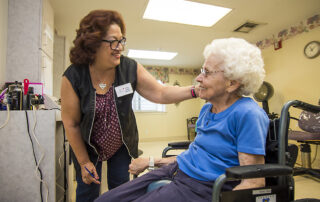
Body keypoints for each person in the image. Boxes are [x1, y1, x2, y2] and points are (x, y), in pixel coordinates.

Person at [94, 37, 270, 202]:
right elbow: (195, 155)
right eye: (202, 71)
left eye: (207, 73)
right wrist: (151, 161)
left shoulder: (248, 114)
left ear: (232, 83)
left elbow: (254, 182)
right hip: (177, 171)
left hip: (201, 187)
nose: (198, 78)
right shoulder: (207, 109)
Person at [60, 10, 198, 202]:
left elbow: (160, 92)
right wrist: (83, 161)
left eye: (121, 41)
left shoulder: (129, 67)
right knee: (87, 191)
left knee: (122, 190)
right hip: (87, 146)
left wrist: (195, 90)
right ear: (92, 43)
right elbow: (71, 123)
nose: (119, 48)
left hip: (120, 144)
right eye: (113, 42)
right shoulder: (73, 76)